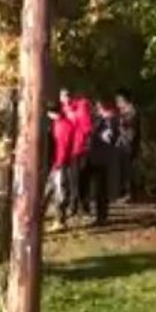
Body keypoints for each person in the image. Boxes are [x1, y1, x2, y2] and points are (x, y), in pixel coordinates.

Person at [59, 88, 93, 217]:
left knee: (80, 177)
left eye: (67, 95)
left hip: (79, 148)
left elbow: (87, 126)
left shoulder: (79, 108)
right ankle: (73, 205)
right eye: (63, 96)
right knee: (70, 179)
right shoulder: (61, 110)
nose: (65, 98)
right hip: (67, 149)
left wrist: (74, 117)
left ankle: (82, 205)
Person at [85, 99, 119, 227]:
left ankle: (102, 216)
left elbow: (109, 138)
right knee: (99, 189)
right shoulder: (103, 121)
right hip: (98, 158)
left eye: (99, 107)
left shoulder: (110, 122)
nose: (97, 110)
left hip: (102, 159)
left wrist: (99, 135)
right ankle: (101, 215)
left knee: (101, 190)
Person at [42, 102, 75, 231]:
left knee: (59, 191)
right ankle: (45, 216)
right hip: (57, 163)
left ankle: (60, 221)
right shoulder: (59, 124)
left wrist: (59, 163)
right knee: (49, 189)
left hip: (60, 163)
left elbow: (63, 147)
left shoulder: (62, 127)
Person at [114, 88, 140, 202]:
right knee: (122, 168)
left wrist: (121, 124)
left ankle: (130, 193)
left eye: (119, 100)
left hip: (129, 143)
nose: (117, 103)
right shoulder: (123, 111)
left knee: (127, 168)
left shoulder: (131, 111)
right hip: (122, 143)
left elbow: (130, 128)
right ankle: (125, 192)